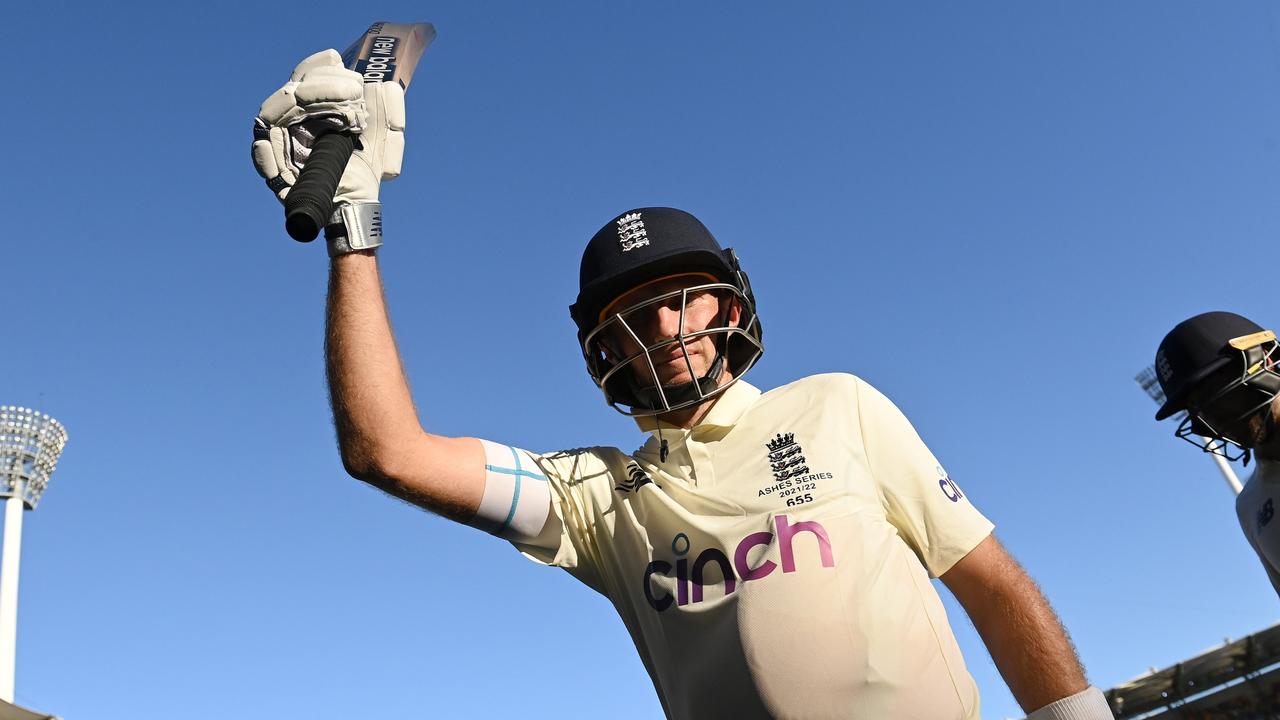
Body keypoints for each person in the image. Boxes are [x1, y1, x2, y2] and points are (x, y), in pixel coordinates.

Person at [252, 50, 1113, 719]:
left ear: (726, 301)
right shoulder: (596, 496)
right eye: (634, 315)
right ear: (602, 347)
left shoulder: (838, 405)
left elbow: (992, 584)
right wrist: (351, 234)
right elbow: (387, 453)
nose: (666, 332)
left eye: (682, 300)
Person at [1152, 311, 1280, 596]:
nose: (1208, 421)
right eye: (1195, 408)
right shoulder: (1250, 505)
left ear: (1263, 361)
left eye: (1213, 393)